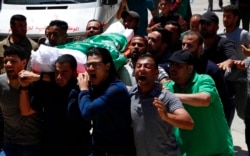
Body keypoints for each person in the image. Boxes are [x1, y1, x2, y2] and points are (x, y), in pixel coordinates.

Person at [164, 50, 234, 156]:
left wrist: (171, 96)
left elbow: (204, 99)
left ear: (190, 68)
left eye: (178, 65)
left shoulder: (204, 80)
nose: (173, 68)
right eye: (171, 65)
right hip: (186, 152)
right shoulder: (169, 87)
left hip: (216, 152)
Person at [18, 54, 91, 156]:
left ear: (74, 72)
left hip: (76, 146)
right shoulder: (46, 87)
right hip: (51, 145)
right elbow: (32, 108)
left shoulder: (81, 88)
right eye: (57, 72)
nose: (59, 77)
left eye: (64, 72)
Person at [68, 47, 136, 156]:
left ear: (107, 66)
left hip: (118, 151)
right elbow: (72, 113)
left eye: (95, 64)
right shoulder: (95, 86)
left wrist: (84, 90)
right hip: (98, 149)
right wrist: (77, 89)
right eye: (88, 65)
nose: (90, 68)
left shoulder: (116, 89)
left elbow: (87, 113)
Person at [130, 53, 194, 156]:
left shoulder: (165, 96)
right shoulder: (131, 94)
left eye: (147, 66)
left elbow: (189, 123)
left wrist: (166, 116)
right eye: (138, 66)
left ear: (156, 73)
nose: (141, 69)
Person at [182, 30, 233, 127]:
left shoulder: (211, 70)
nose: (185, 48)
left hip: (209, 122)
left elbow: (225, 101)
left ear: (200, 48)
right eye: (183, 44)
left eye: (189, 46)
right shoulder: (179, 65)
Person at [0, 45, 43, 156]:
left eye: (13, 61)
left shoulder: (35, 81)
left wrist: (38, 78)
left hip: (33, 144)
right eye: (6, 61)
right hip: (9, 144)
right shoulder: (1, 83)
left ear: (24, 62)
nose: (8, 64)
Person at [199, 11, 240, 125]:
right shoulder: (197, 44)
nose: (204, 27)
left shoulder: (224, 42)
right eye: (202, 24)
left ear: (216, 27)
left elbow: (233, 56)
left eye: (208, 24)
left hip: (222, 99)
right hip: (201, 98)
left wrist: (229, 61)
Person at [219, 4, 250, 121]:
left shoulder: (243, 34)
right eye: (224, 16)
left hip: (241, 80)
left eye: (229, 16)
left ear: (236, 18)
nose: (225, 19)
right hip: (225, 78)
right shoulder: (219, 33)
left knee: (243, 112)